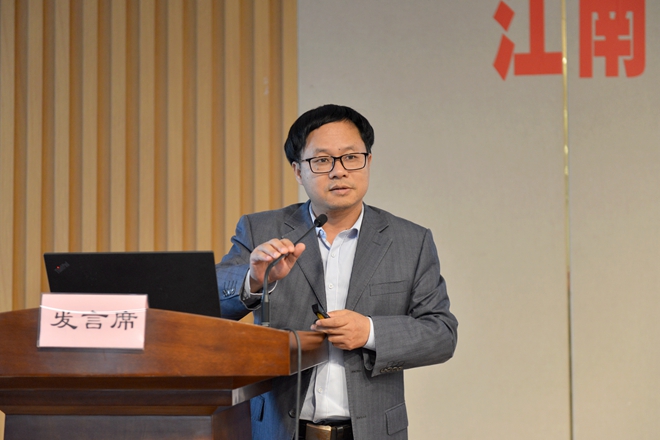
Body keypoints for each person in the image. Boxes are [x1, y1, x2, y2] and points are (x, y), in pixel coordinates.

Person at [216, 104, 457, 440]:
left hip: (372, 432)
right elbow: (210, 301)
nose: (339, 171)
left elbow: (441, 334)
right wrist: (255, 280)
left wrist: (370, 332)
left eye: (351, 157)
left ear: (368, 162)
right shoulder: (262, 230)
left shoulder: (410, 241)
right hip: (280, 430)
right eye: (322, 160)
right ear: (298, 171)